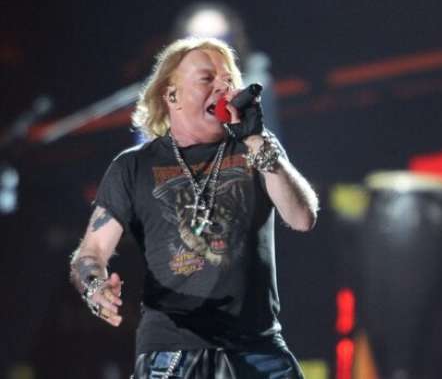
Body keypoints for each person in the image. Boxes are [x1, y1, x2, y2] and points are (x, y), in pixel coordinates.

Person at [69, 37, 318, 378]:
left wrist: (257, 142)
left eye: (228, 79)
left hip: (257, 348)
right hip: (173, 351)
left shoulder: (257, 151)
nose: (223, 87)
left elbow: (303, 218)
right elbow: (92, 251)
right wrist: (95, 288)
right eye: (207, 79)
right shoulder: (134, 166)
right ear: (171, 95)